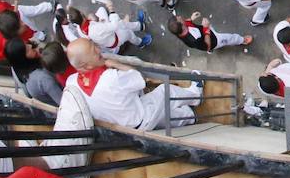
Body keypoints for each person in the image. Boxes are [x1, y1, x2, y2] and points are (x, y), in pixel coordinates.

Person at [65, 38, 200, 129]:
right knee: (166, 91)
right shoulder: (110, 78)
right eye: (95, 53)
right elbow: (139, 78)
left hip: (128, 126)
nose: (99, 50)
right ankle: (196, 95)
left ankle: (190, 117)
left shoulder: (71, 84)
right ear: (86, 65)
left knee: (166, 117)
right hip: (142, 113)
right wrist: (116, 64)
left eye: (94, 45)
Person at [168, 12, 250, 52]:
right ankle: (242, 40)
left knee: (203, 45)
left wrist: (191, 19)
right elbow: (207, 46)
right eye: (179, 18)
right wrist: (206, 28)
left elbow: (186, 23)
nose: (180, 16)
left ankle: (210, 51)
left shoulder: (178, 31)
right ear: (182, 26)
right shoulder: (194, 39)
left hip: (203, 33)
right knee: (229, 38)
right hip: (214, 40)